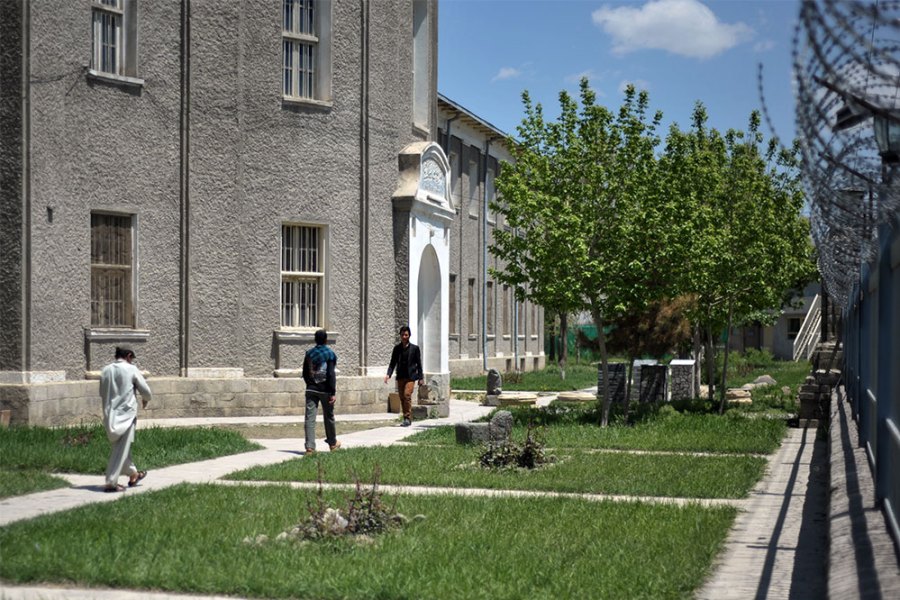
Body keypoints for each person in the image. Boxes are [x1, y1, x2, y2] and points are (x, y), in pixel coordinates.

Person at [99, 346, 152, 492]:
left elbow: (102, 392)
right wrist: (146, 399)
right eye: (132, 358)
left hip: (110, 414)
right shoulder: (131, 369)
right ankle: (111, 482)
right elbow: (146, 390)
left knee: (121, 447)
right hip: (126, 414)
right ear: (128, 356)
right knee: (121, 449)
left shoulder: (106, 370)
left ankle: (134, 474)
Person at [302, 329, 340, 454]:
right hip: (325, 390)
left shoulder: (309, 353)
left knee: (310, 418)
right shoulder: (330, 354)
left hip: (311, 389)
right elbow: (330, 373)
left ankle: (310, 447)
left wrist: (310, 384)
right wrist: (332, 392)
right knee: (328, 417)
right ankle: (333, 444)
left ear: (315, 339)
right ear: (325, 340)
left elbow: (305, 373)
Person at [383, 325, 424, 427]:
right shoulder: (397, 349)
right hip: (400, 376)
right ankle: (406, 417)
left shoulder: (415, 349)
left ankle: (407, 417)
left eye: (406, 335)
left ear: (409, 335)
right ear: (400, 336)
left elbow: (419, 364)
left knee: (406, 395)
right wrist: (388, 374)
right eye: (402, 335)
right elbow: (392, 363)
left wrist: (421, 377)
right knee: (402, 397)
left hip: (410, 377)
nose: (404, 337)